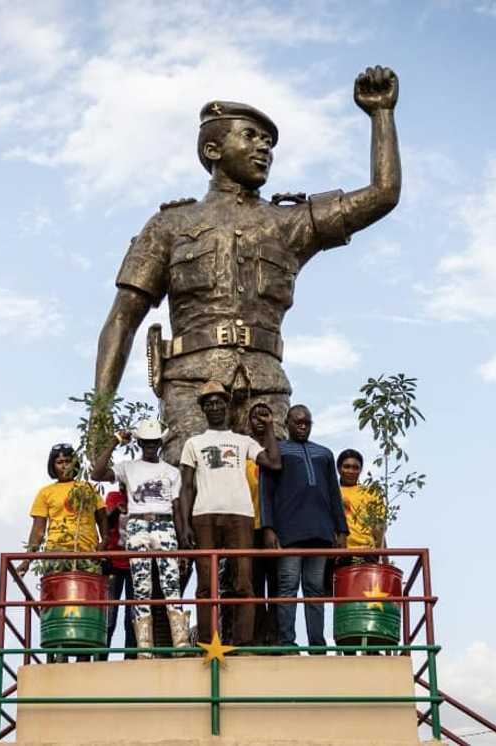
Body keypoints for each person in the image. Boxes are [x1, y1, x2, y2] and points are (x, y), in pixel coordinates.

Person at [93, 66, 403, 465]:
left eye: (270, 142)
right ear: (213, 150)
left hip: (266, 385)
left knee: (274, 496)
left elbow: (383, 194)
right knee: (192, 490)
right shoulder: (169, 225)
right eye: (251, 136)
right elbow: (121, 319)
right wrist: (99, 419)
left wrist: (382, 115)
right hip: (192, 382)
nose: (264, 148)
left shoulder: (287, 223)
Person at [177, 381, 281, 648]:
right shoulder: (194, 443)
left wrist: (269, 427)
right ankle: (206, 642)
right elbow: (186, 486)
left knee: (244, 580)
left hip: (240, 515)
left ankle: (242, 643)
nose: (214, 406)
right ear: (202, 409)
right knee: (205, 583)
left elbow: (274, 462)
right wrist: (186, 525)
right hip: (205, 515)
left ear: (227, 405)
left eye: (219, 401)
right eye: (209, 403)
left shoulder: (242, 441)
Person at [92, 420, 190, 658]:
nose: (150, 446)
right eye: (145, 442)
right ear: (139, 443)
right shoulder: (128, 467)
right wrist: (115, 440)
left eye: (154, 442)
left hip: (165, 523)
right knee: (141, 585)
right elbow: (97, 472)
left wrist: (183, 538)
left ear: (159, 442)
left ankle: (181, 643)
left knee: (171, 584)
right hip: (137, 524)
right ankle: (144, 646)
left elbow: (177, 507)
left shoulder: (171, 471)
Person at [260, 405, 349, 652]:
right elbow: (265, 492)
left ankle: (317, 646)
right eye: (297, 422)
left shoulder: (324, 454)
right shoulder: (277, 452)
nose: (302, 426)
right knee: (287, 587)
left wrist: (341, 530)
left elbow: (334, 493)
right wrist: (268, 527)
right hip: (289, 533)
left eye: (306, 423)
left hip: (321, 532)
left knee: (315, 590)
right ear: (287, 423)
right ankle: (288, 643)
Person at [17, 443, 105, 576]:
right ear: (53, 466)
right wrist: (27, 561)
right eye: (59, 462)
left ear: (74, 463)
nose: (64, 466)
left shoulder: (88, 487)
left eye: (68, 461)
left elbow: (102, 517)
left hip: (87, 553)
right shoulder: (46, 493)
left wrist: (104, 542)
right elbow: (38, 531)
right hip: (56, 554)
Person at [246, 401, 279, 645]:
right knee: (254, 586)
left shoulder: (280, 451)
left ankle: (276, 637)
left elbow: (276, 466)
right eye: (255, 417)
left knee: (278, 586)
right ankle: (257, 636)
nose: (260, 420)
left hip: (276, 529)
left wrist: (270, 429)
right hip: (250, 528)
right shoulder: (244, 453)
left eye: (265, 416)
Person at [100, 488, 136, 660]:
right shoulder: (114, 497)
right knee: (109, 614)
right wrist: (115, 511)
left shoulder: (141, 496)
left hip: (135, 564)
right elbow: (104, 523)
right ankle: (101, 658)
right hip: (114, 562)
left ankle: (130, 657)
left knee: (133, 615)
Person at [337, 448, 386, 559]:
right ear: (339, 469)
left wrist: (381, 554)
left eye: (355, 467)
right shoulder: (331, 493)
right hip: (338, 553)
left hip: (366, 552)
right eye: (347, 466)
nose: (351, 471)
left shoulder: (371, 493)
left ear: (360, 470)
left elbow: (379, 528)